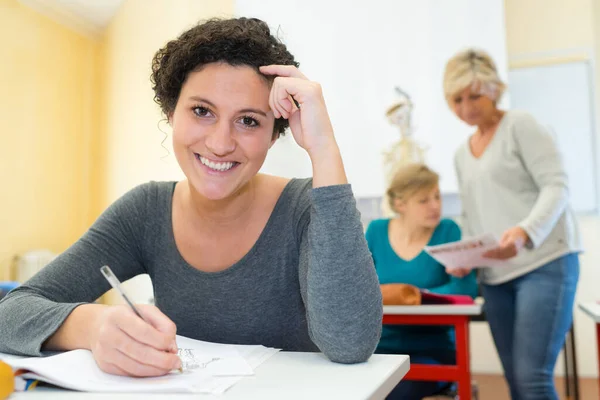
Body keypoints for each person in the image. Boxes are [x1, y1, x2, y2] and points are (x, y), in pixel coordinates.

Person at [0, 17, 383, 377]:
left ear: (275, 134)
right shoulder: (145, 212)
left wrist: (324, 148)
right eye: (202, 111)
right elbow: (10, 313)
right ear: (171, 112)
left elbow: (351, 343)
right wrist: (89, 325)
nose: (219, 144)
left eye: (249, 120)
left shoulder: (305, 207)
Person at [443, 48, 581, 400]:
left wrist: (524, 232)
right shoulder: (461, 153)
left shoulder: (521, 125)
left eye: (474, 95)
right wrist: (465, 260)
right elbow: (473, 216)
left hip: (544, 265)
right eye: (457, 99)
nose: (466, 106)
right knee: (515, 381)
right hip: (496, 277)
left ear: (494, 88)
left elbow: (557, 185)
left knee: (532, 378)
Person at [365, 163, 478, 400]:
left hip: (433, 350)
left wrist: (407, 295)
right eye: (424, 200)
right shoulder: (376, 231)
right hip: (380, 348)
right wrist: (420, 295)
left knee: (394, 393)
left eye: (437, 197)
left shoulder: (448, 230)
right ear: (400, 204)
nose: (435, 205)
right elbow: (362, 290)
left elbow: (464, 290)